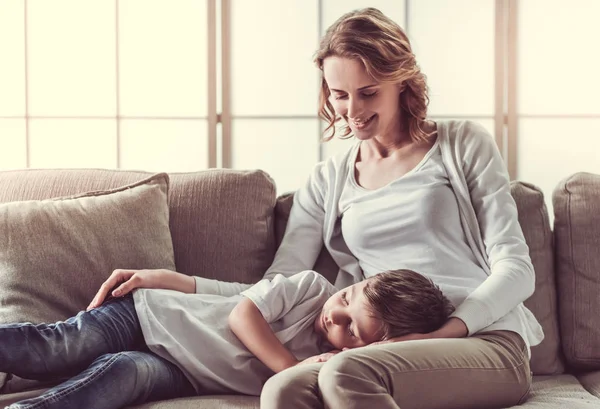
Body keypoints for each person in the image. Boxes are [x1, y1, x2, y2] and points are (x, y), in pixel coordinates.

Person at [256, 7, 545, 409]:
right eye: (340, 95)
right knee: (282, 388)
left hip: (485, 339)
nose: (353, 111)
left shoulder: (462, 144)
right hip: (381, 351)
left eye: (368, 92)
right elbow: (281, 281)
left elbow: (516, 267)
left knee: (345, 373)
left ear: (402, 82)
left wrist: (438, 336)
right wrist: (182, 289)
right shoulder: (328, 179)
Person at [1, 268, 453, 409]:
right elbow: (243, 310)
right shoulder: (313, 289)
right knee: (57, 347)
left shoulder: (335, 366)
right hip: (148, 317)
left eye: (352, 329)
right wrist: (287, 365)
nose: (336, 316)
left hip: (182, 373)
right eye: (349, 297)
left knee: (122, 374)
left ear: (374, 348)